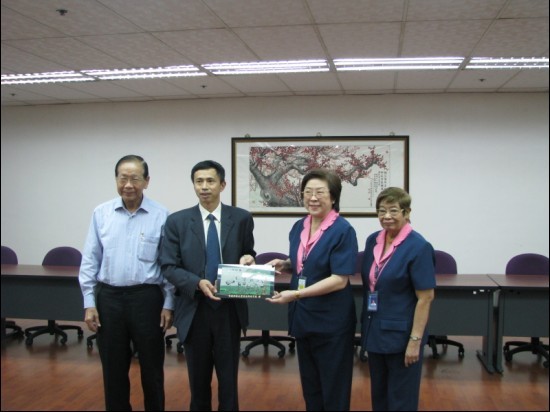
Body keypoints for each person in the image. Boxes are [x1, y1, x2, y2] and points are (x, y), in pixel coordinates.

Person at [79, 154, 174, 411]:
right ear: (116, 180)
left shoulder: (162, 215)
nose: (128, 185)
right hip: (109, 299)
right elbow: (90, 260)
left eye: (135, 178)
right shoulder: (101, 213)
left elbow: (168, 265)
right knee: (113, 369)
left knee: (152, 369)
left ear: (147, 181)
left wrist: (169, 303)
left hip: (147, 299)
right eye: (123, 178)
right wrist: (89, 302)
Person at [160, 160, 255, 411]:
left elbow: (248, 252)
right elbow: (168, 266)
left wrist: (248, 259)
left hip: (229, 309)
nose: (204, 187)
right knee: (198, 381)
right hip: (194, 309)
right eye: (199, 181)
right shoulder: (177, 222)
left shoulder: (241, 218)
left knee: (229, 381)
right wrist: (197, 283)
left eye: (210, 181)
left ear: (222, 185)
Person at [267, 169, 358, 411]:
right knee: (311, 386)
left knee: (334, 387)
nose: (313, 198)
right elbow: (307, 262)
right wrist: (285, 264)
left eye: (320, 192)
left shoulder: (343, 230)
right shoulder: (299, 226)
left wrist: (296, 294)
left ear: (334, 197)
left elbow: (339, 279)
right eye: (307, 192)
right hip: (303, 317)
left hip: (331, 322)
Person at [360, 186, 435, 411]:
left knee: (401, 400)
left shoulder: (418, 246)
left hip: (402, 337)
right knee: (380, 397)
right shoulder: (373, 240)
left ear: (406, 212)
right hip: (375, 330)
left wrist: (415, 341)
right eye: (381, 211)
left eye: (393, 210)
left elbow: (426, 298)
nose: (387, 216)